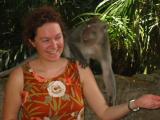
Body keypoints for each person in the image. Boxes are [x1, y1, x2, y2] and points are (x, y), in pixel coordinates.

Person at [3, 5, 160, 120]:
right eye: (45, 40)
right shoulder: (20, 76)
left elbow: (104, 113)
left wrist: (136, 103)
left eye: (58, 37)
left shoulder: (79, 69)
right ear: (32, 42)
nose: (54, 45)